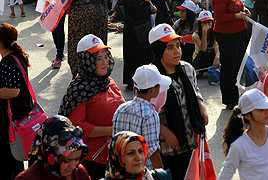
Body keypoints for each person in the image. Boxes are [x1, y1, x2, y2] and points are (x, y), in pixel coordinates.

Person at [59, 34, 124, 179]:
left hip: (114, 154)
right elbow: (78, 126)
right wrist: (111, 130)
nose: (105, 62)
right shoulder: (79, 89)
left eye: (105, 56)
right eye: (98, 58)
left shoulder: (108, 81)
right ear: (86, 60)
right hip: (92, 160)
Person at [149, 24, 208, 180]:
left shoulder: (187, 69)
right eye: (169, 47)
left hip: (192, 141)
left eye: (177, 45)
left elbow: (195, 90)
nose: (177, 51)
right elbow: (146, 112)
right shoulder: (150, 78)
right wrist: (164, 131)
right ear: (158, 50)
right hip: (168, 147)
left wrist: (200, 105)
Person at [112, 64, 171, 170]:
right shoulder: (150, 114)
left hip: (122, 170)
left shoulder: (121, 109)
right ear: (153, 90)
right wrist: (161, 174)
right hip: (141, 171)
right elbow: (152, 152)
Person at [211, 0, 250, 108]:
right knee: (229, 67)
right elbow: (220, 16)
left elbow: (235, 6)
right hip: (227, 34)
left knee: (236, 66)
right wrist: (237, 16)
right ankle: (229, 99)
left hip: (238, 32)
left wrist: (243, 10)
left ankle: (235, 95)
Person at [67, 0, 109, 77]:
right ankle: (80, 74)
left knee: (97, 51)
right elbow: (68, 0)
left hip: (98, 26)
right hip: (80, 27)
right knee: (82, 50)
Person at [0, 23, 32, 178]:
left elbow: (13, 91)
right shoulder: (17, 56)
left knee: (11, 158)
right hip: (22, 113)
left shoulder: (7, 63)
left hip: (13, 118)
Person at [16, 115, 89, 180]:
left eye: (77, 159)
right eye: (67, 160)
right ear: (50, 154)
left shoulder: (80, 173)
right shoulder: (27, 178)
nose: (73, 166)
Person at [121, 0, 156, 89]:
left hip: (140, 27)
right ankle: (136, 81)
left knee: (141, 55)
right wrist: (146, 3)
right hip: (135, 29)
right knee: (136, 56)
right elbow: (134, 11)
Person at [104, 131, 171, 180]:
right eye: (131, 153)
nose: (138, 157)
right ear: (117, 158)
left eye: (140, 151)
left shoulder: (160, 177)